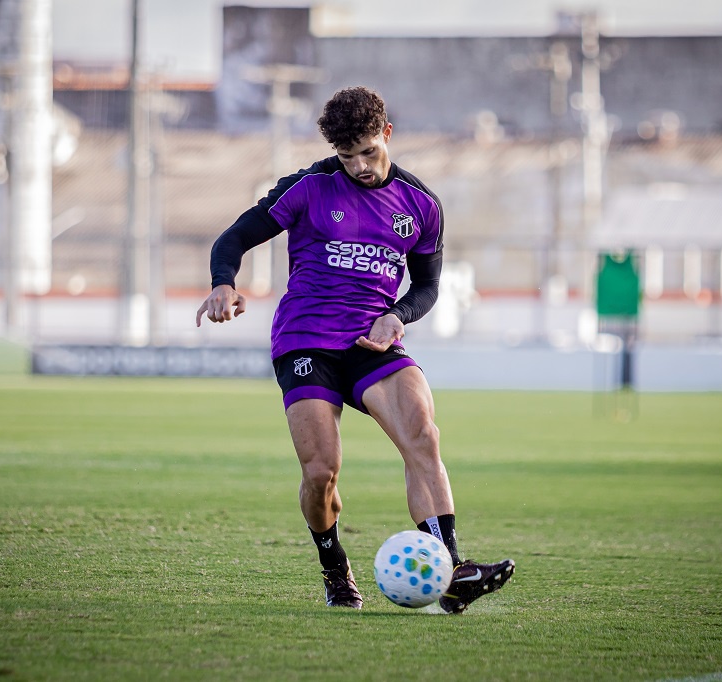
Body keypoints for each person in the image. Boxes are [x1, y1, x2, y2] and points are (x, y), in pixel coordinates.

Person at [196, 86, 514, 613]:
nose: (360, 167)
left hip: (371, 340)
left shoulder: (421, 204)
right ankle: (334, 567)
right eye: (348, 157)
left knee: (422, 434)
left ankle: (450, 570)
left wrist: (398, 315)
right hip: (305, 339)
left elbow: (427, 287)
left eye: (368, 151)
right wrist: (222, 283)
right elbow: (232, 239)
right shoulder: (307, 186)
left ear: (386, 134)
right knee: (321, 472)